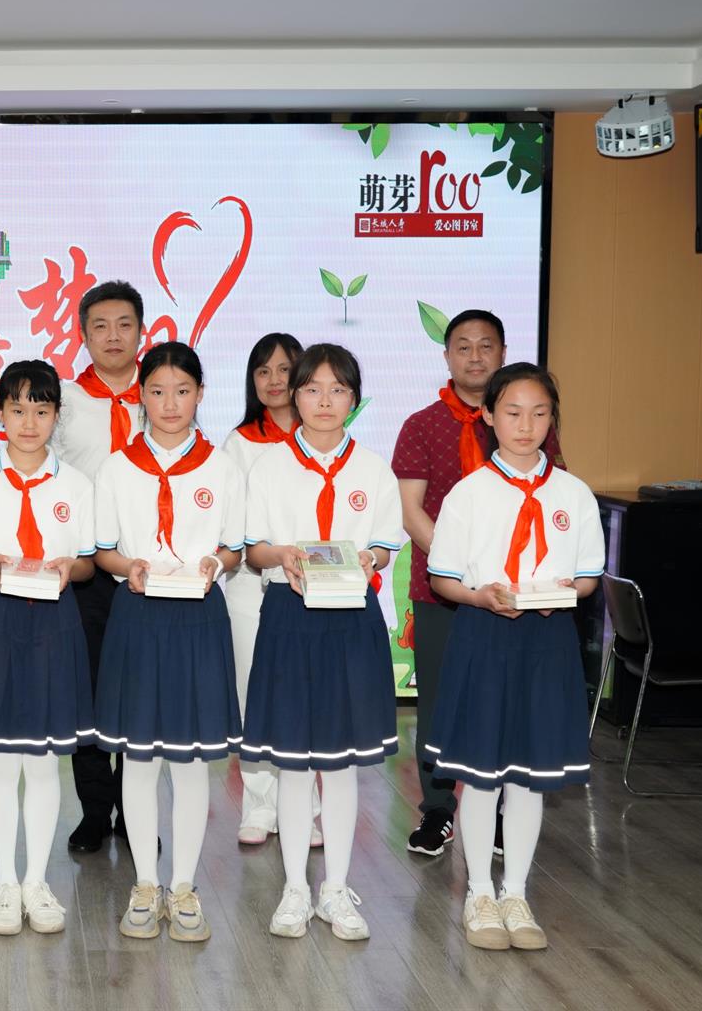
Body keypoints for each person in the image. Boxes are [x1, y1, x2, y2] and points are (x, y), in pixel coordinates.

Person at [423, 363, 602, 952]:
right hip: (485, 637)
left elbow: (588, 577)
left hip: (548, 643)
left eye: (539, 413)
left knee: (530, 776)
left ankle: (516, 893)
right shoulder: (469, 493)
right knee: (481, 774)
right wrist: (481, 596)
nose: (526, 426)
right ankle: (479, 893)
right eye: (513, 413)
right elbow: (443, 578)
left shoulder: (573, 493)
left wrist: (565, 592)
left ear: (553, 419)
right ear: (489, 416)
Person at [241, 344, 403, 943]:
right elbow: (254, 550)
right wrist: (282, 555)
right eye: (312, 389)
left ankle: (335, 887)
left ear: (354, 400)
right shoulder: (269, 467)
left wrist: (372, 558)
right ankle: (294, 888)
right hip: (290, 615)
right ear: (295, 395)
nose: (325, 401)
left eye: (338, 390)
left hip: (351, 617)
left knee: (339, 765)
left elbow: (385, 544)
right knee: (291, 764)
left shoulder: (374, 470)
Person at [393, 309, 565, 857]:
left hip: (518, 595)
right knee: (440, 703)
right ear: (446, 356)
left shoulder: (530, 424)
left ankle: (496, 810)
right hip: (442, 592)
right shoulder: (421, 425)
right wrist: (464, 575)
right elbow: (411, 511)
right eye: (462, 346)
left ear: (502, 352)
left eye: (485, 345)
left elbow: (553, 497)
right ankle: (438, 810)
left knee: (506, 702)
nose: (474, 356)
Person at [92, 341, 245, 944]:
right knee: (137, 756)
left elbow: (235, 547)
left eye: (182, 391)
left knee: (189, 758)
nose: (170, 403)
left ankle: (183, 886)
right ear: (141, 396)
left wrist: (216, 562)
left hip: (198, 617)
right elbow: (103, 550)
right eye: (157, 391)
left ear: (200, 394)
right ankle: (144, 883)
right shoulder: (117, 467)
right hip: (137, 615)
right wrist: (126, 565)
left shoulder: (222, 467)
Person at [0, 360, 96, 936]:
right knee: (2, 759)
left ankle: (37, 881)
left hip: (54, 622)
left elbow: (88, 564)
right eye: (17, 409)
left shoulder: (76, 485)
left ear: (57, 415)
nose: (29, 423)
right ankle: (4, 884)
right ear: (0, 413)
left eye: (41, 410)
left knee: (44, 759)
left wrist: (68, 567)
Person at [220, 333, 321, 849]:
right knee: (252, 693)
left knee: (305, 695)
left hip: (311, 590)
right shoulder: (238, 444)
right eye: (263, 371)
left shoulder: (323, 438)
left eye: (285, 369)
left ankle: (309, 807)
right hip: (248, 587)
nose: (275, 380)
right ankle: (259, 804)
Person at [55, 281, 145, 854]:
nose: (113, 336)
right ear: (83, 335)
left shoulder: (162, 393)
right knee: (85, 692)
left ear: (141, 331)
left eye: (124, 325)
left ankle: (135, 813)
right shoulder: (63, 400)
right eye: (100, 326)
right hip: (85, 569)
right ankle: (93, 811)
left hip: (146, 569)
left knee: (137, 693)